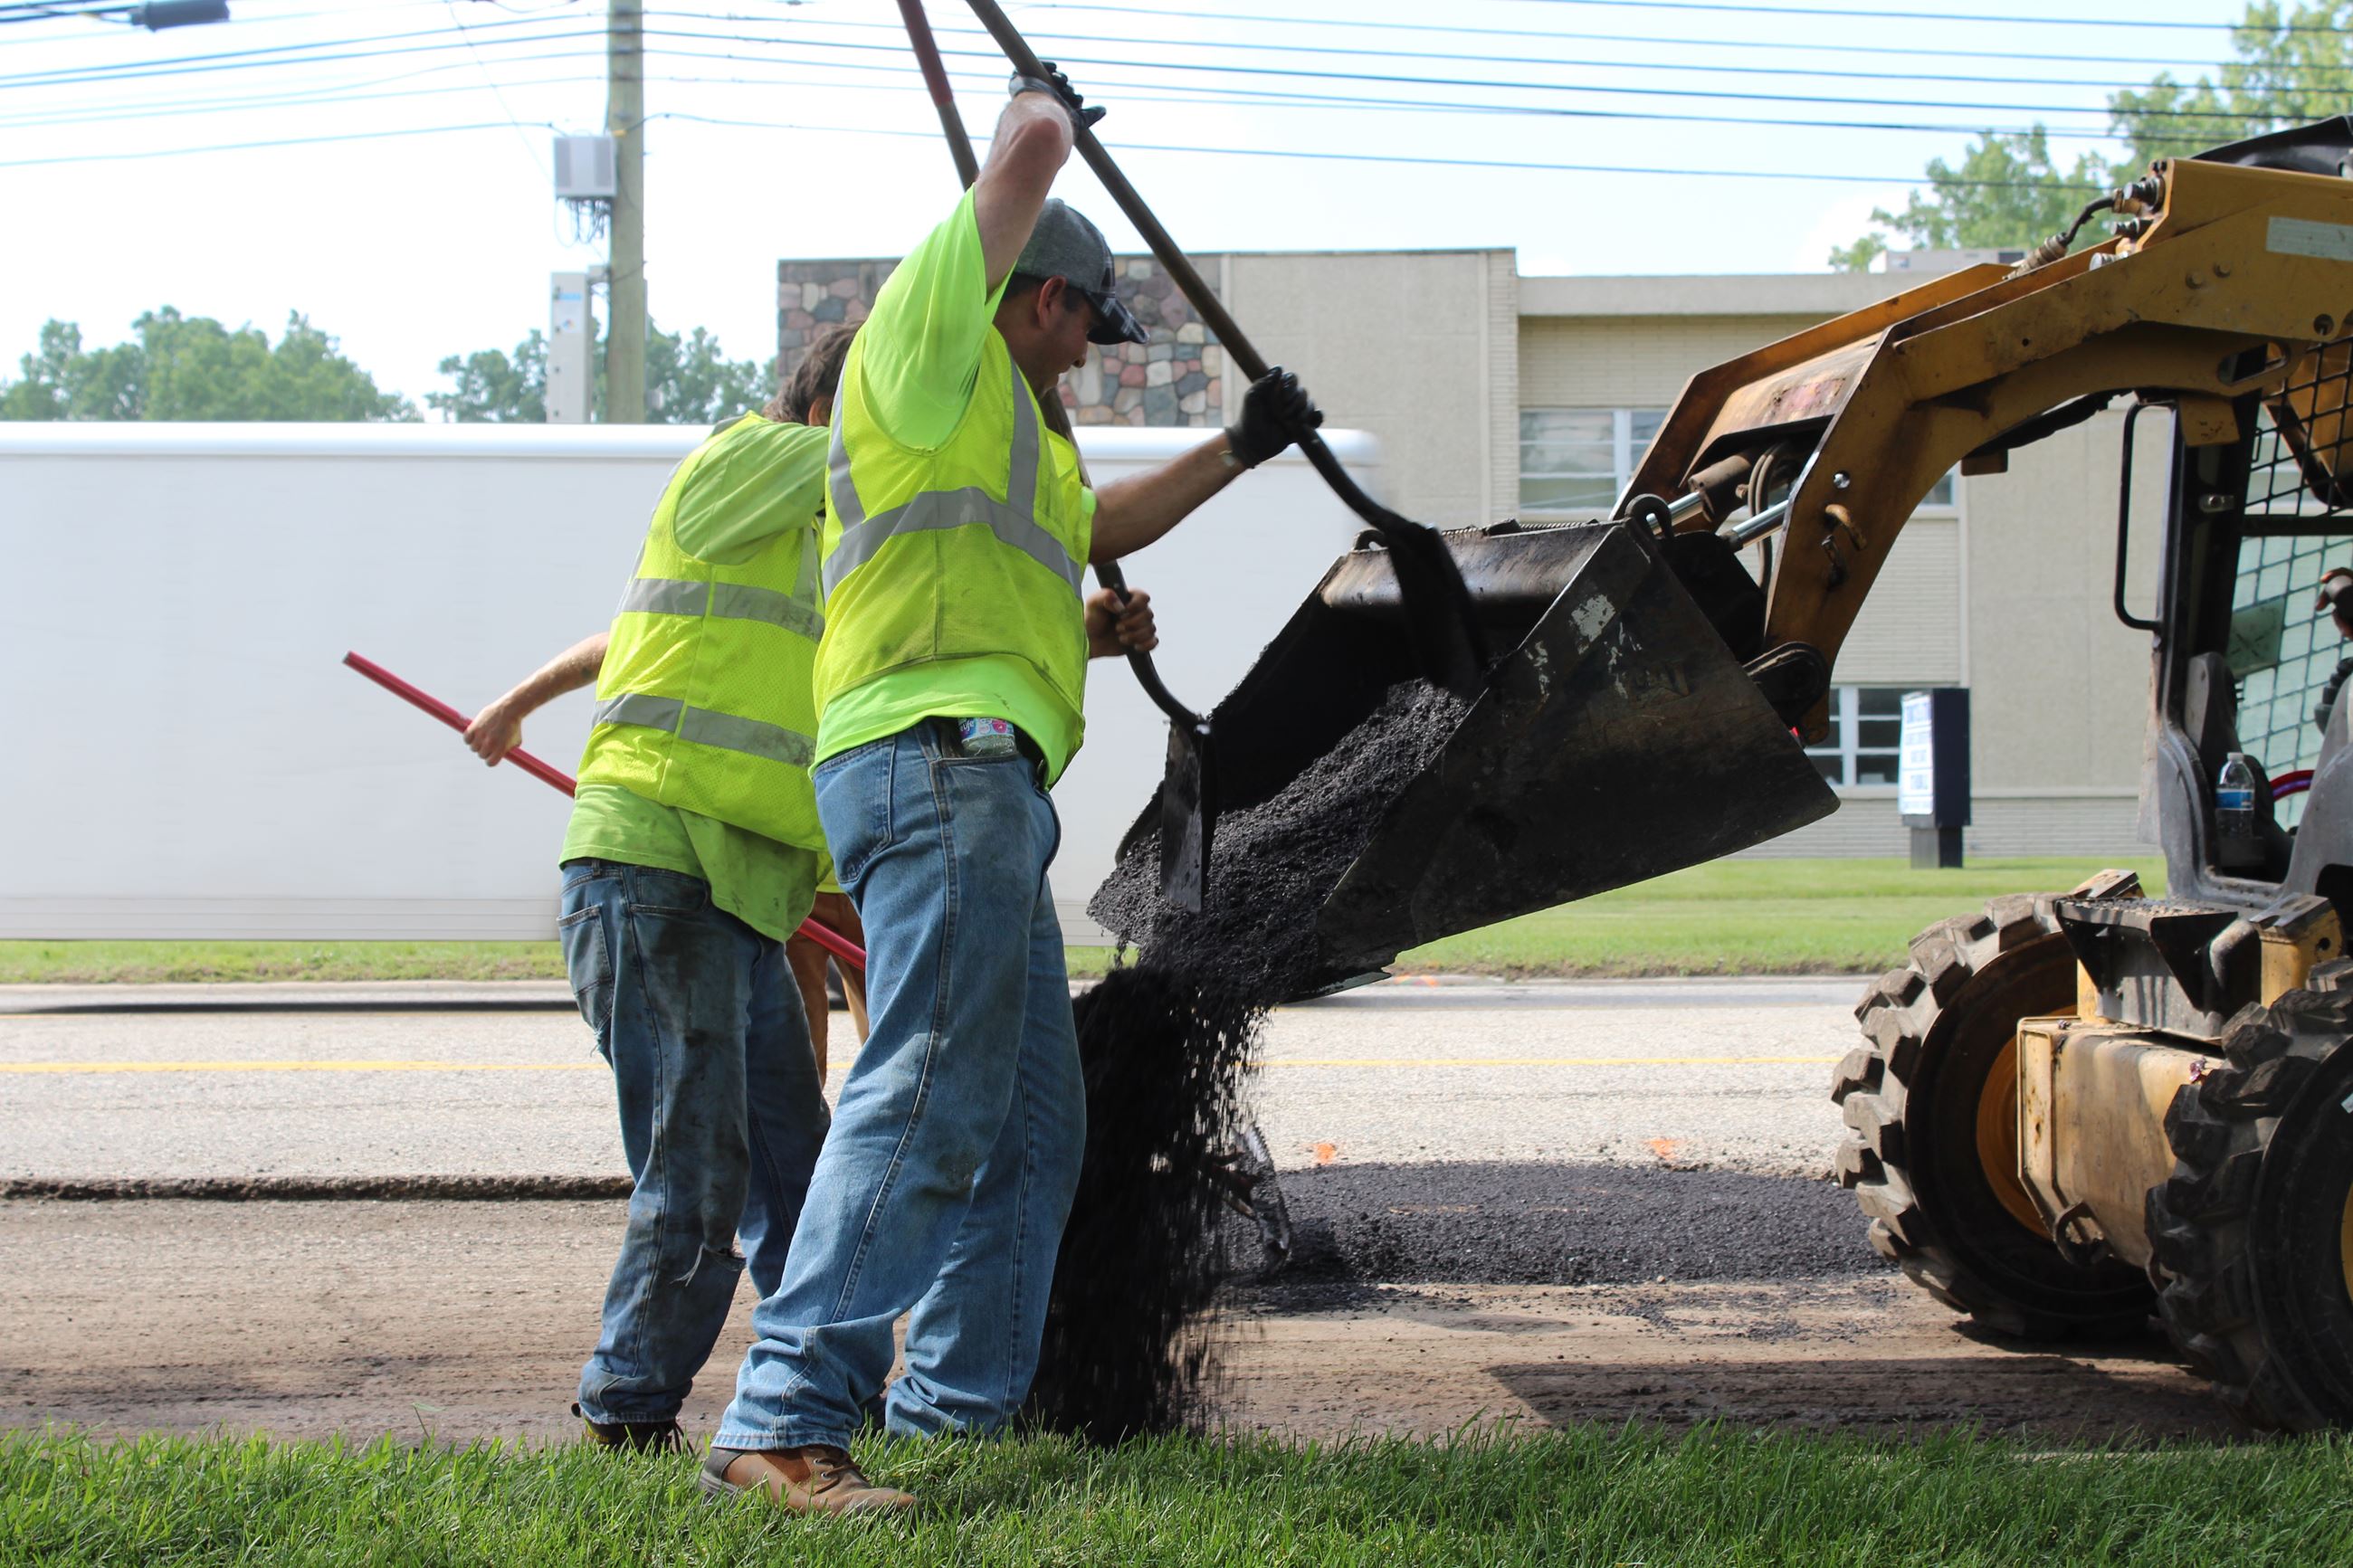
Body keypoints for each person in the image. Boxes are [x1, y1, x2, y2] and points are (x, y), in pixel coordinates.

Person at [702, 66, 1321, 1514]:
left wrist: (1242, 451)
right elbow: (1031, 148)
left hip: (988, 784)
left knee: (1038, 1128)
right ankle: (788, 1416)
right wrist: (1034, 108)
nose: (1095, 356)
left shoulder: (1024, 434)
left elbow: (1088, 528)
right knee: (930, 1091)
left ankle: (948, 1417)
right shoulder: (930, 348)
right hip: (936, 765)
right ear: (1046, 299)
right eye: (1091, 327)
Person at [465, 332, 874, 1074]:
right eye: (880, 414)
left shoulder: (817, 542)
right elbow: (620, 640)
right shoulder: (740, 465)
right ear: (822, 421)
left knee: (793, 1130)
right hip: (678, 862)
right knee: (726, 1144)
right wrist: (512, 704)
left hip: (783, 861)